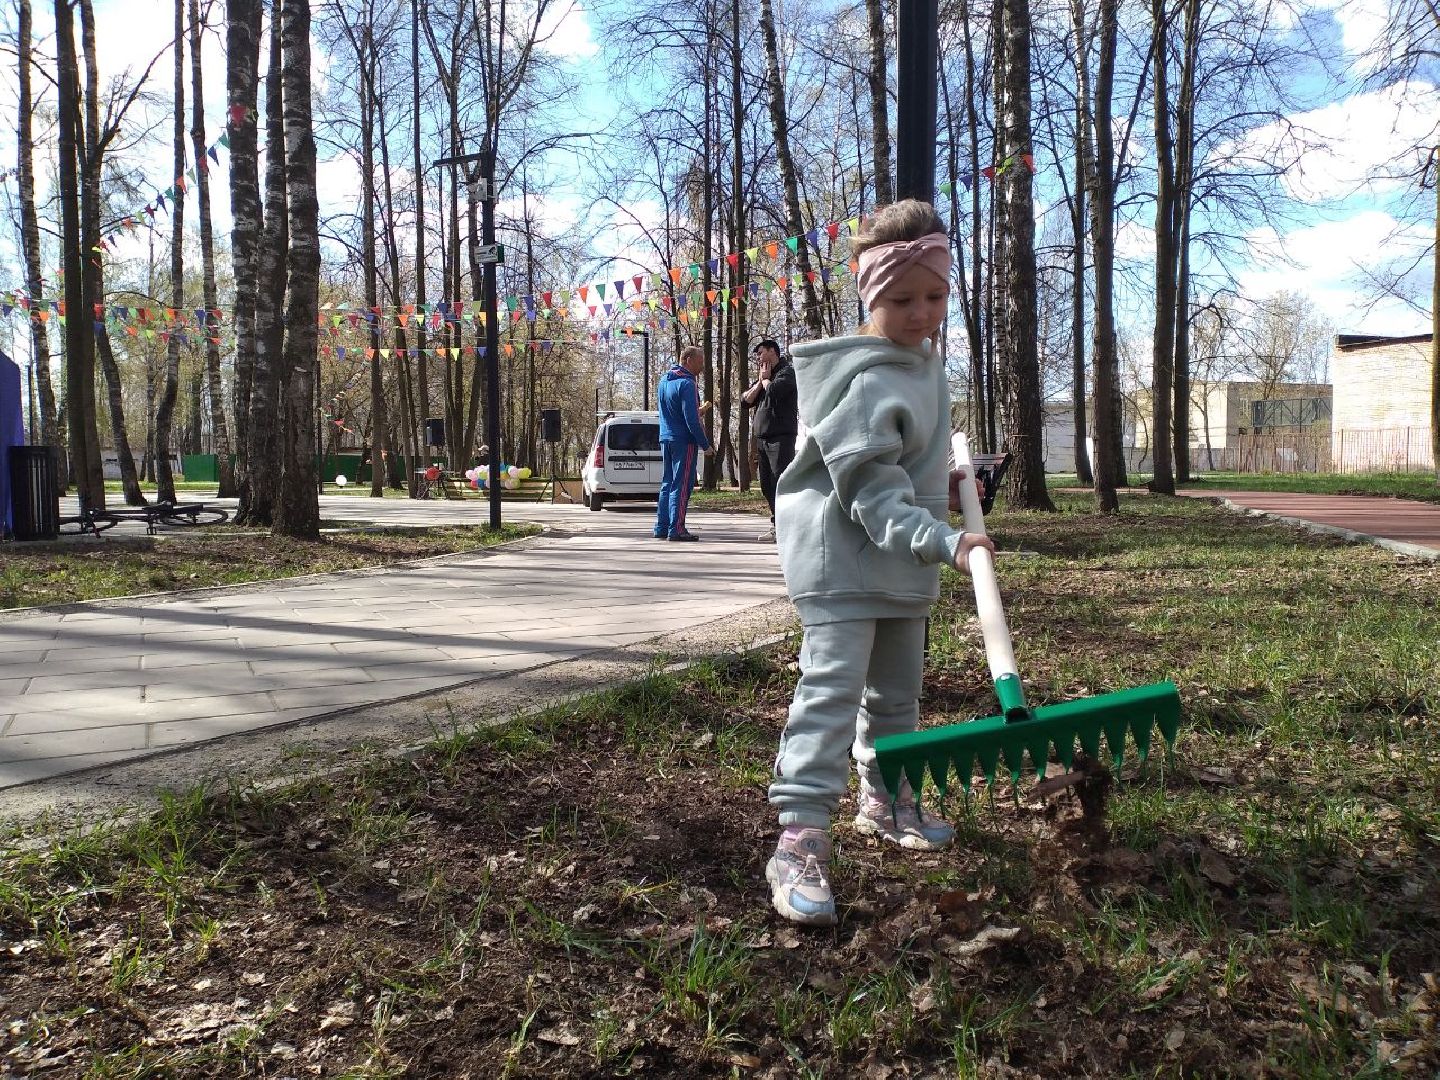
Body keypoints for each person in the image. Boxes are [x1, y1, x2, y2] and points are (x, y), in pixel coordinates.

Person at [765, 200, 996, 927]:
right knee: (832, 695)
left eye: (934, 295)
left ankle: (886, 796)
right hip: (845, 557)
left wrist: (948, 485)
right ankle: (798, 838)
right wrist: (946, 541)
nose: (920, 312)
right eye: (900, 299)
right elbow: (871, 498)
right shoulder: (865, 379)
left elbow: (911, 464)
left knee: (897, 695)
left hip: (903, 561)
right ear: (868, 295)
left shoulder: (925, 365)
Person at [653, 345, 714, 542]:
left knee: (667, 483)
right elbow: (691, 420)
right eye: (700, 361)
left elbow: (673, 411)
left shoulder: (664, 381)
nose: (702, 366)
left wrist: (698, 410)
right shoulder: (688, 384)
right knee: (681, 485)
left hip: (666, 437)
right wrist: (705, 444)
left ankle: (661, 526)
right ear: (688, 359)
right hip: (684, 441)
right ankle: (677, 528)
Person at [741, 339, 798, 542]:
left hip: (781, 437)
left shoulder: (787, 371)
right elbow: (745, 401)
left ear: (773, 351)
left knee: (780, 482)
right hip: (762, 439)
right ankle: (777, 525)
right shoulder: (764, 377)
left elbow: (774, 392)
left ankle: (788, 528)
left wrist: (766, 380)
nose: (758, 357)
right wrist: (760, 382)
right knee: (766, 484)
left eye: (761, 352)